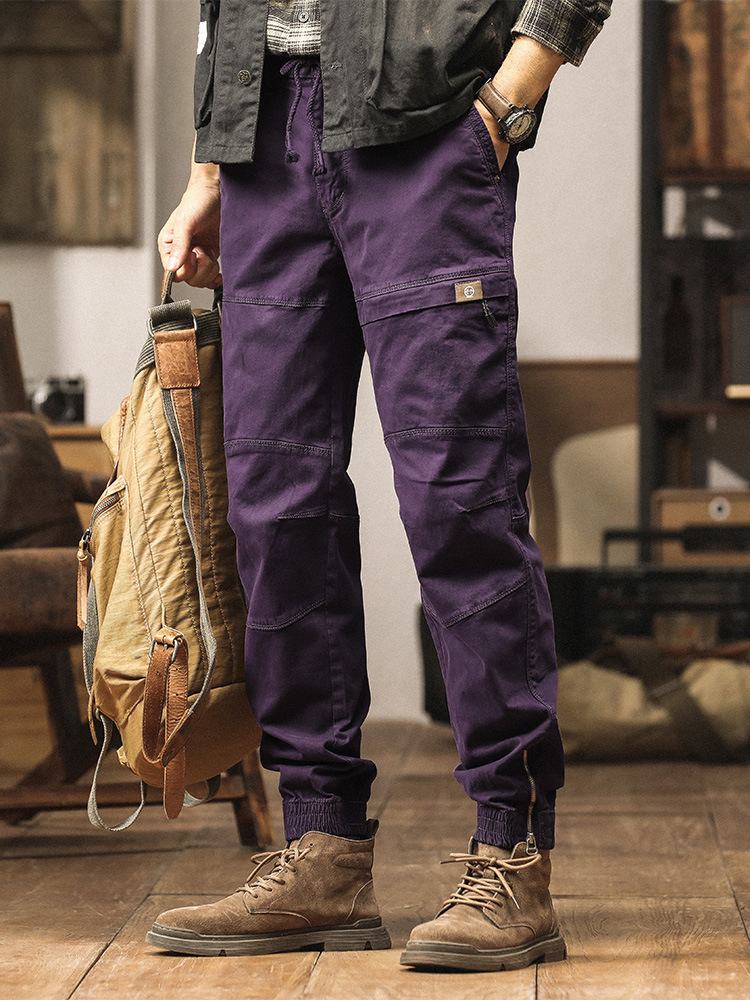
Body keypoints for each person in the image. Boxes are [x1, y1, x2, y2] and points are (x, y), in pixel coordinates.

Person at [147, 0, 611, 972]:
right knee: (275, 507)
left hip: (423, 123)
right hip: (263, 141)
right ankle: (321, 849)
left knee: (458, 502)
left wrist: (508, 102)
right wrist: (210, 166)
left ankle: (512, 854)